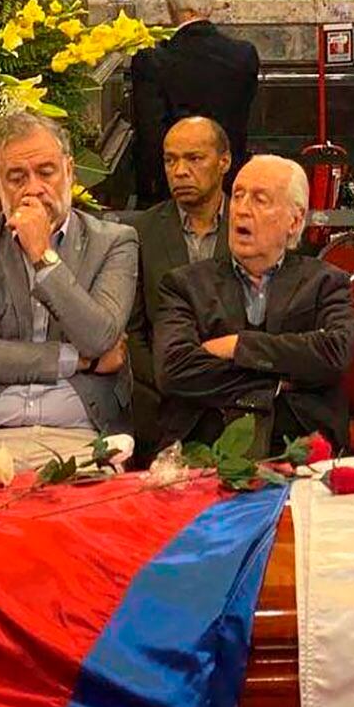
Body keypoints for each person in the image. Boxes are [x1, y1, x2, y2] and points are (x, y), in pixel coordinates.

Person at [0, 112, 136, 463]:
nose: (33, 188)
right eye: (17, 177)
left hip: (82, 434)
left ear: (70, 172)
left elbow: (100, 337)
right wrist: (79, 361)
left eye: (46, 172)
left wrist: (43, 256)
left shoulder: (114, 242)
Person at [153, 155, 354, 452]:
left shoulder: (326, 283)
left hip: (303, 445)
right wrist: (277, 384)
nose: (242, 210)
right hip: (205, 446)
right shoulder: (184, 285)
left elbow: (334, 354)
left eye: (260, 200)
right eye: (237, 196)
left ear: (295, 220)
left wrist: (238, 346)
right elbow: (174, 370)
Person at [126, 116, 231, 458]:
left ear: (224, 161)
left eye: (194, 158)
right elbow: (133, 330)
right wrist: (172, 379)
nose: (180, 171)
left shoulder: (249, 227)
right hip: (163, 402)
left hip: (235, 398)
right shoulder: (142, 233)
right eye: (170, 160)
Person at [130, 0, 262, 207]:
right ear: (211, 4)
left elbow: (151, 135)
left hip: (171, 191)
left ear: (171, 7)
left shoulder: (151, 60)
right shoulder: (244, 55)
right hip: (229, 184)